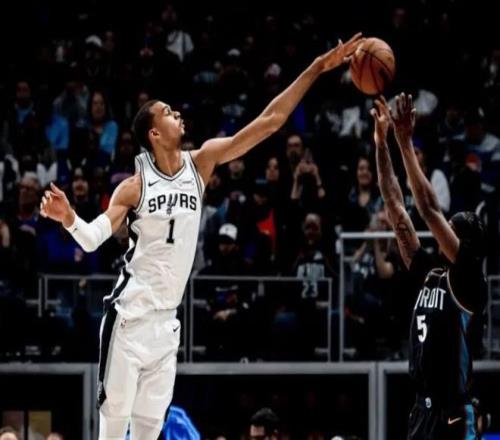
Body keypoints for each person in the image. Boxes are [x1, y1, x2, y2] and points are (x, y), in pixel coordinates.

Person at [39, 33, 364, 440]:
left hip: (167, 325)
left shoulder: (202, 162)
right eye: (167, 112)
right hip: (129, 318)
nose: (177, 113)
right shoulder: (133, 187)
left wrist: (316, 68)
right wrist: (69, 217)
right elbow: (91, 239)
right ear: (154, 134)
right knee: (113, 431)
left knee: (148, 432)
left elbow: (269, 122)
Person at [370, 94, 487, 439]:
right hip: (421, 411)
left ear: (464, 242)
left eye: (452, 228)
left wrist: (404, 141)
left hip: (453, 414)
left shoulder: (469, 279)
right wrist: (381, 144)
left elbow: (428, 209)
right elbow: (394, 203)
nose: (443, 229)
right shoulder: (430, 273)